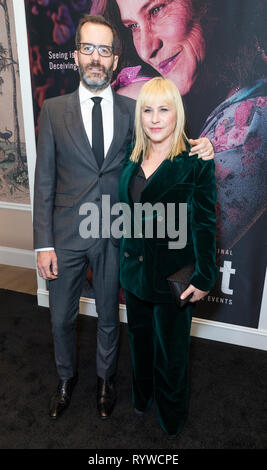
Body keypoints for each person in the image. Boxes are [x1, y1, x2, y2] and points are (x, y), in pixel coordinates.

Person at [33, 14, 214, 421]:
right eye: (88, 48)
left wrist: (203, 147)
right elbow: (43, 181)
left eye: (105, 50)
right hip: (63, 238)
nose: (96, 58)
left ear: (116, 60)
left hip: (116, 235)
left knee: (109, 319)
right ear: (76, 55)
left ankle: (105, 380)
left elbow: (163, 143)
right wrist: (43, 243)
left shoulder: (132, 110)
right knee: (61, 318)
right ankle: (65, 378)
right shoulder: (54, 110)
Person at [92, 0, 267, 251]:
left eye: (156, 10)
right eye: (132, 26)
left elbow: (159, 243)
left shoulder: (250, 123)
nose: (145, 48)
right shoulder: (182, 87)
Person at [118, 77, 218, 437]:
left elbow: (206, 222)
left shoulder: (194, 160)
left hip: (174, 278)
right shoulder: (131, 159)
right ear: (139, 115)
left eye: (164, 109)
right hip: (134, 276)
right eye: (147, 110)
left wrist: (205, 276)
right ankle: (141, 398)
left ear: (177, 113)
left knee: (172, 355)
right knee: (139, 344)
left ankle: (171, 417)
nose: (155, 118)